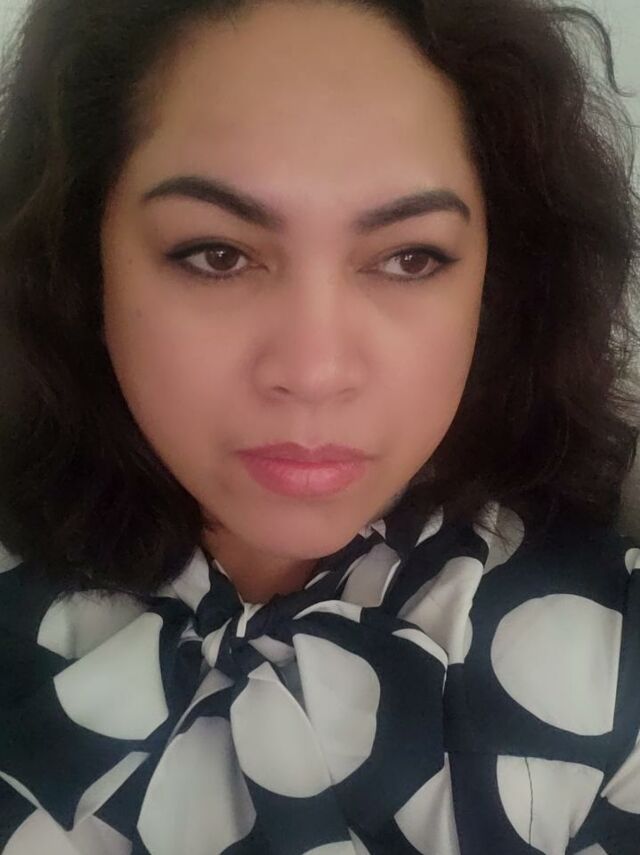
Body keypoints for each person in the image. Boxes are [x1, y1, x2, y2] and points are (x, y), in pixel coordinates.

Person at [0, 0, 639, 851]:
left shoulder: (616, 670)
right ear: (85, 263)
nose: (314, 371)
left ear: (498, 285)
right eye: (217, 254)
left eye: (410, 257)